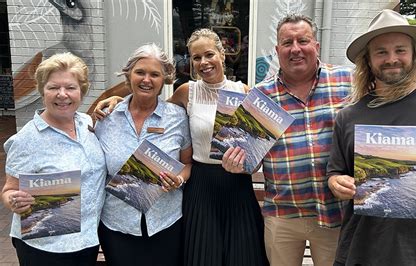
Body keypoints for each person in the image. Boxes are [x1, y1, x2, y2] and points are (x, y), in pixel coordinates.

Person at [222, 13, 416, 266]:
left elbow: (395, 85)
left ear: (316, 46)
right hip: (282, 214)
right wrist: (235, 163)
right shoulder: (261, 96)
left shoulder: (350, 82)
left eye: (303, 40)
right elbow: (247, 159)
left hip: (335, 213)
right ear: (277, 50)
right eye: (287, 43)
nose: (295, 49)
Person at [94, 29, 269, 266]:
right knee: (203, 256)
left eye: (209, 55)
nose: (203, 63)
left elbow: (256, 156)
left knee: (243, 255)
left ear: (222, 54)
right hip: (201, 184)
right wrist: (116, 99)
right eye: (196, 58)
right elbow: (151, 105)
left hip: (237, 185)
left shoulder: (244, 92)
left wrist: (245, 163)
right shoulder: (187, 92)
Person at [326, 9, 416, 265]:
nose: (391, 58)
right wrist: (338, 183)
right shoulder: (348, 116)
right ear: (369, 60)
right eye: (381, 51)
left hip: (415, 254)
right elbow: (335, 173)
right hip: (357, 251)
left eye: (400, 50)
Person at [1, 52, 106, 266]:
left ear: (82, 91)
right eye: (53, 87)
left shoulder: (86, 123)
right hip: (45, 246)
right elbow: (9, 189)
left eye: (70, 87)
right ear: (42, 91)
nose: (62, 94)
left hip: (87, 240)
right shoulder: (26, 140)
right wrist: (14, 200)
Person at [93, 43, 192, 266]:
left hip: (166, 223)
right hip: (117, 225)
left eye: (154, 74)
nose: (146, 79)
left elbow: (187, 163)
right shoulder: (107, 117)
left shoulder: (177, 117)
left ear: (164, 79)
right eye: (140, 72)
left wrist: (179, 178)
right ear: (129, 75)